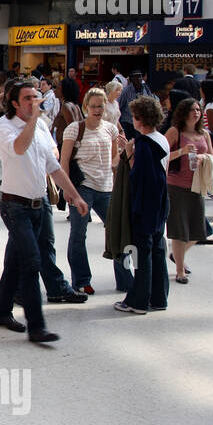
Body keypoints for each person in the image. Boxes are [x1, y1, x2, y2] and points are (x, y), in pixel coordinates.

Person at [0, 81, 89, 344]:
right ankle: (37, 327)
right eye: (27, 98)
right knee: (32, 262)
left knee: (15, 261)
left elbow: (53, 166)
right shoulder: (5, 126)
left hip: (39, 203)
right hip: (15, 206)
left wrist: (74, 195)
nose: (34, 101)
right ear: (14, 103)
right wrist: (33, 119)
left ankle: (1, 311)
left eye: (36, 97)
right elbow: (19, 149)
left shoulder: (42, 127)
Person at [60, 87, 130, 296]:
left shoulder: (111, 129)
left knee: (118, 233)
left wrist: (124, 150)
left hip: (107, 187)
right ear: (86, 107)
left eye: (101, 106)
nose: (98, 110)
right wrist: (67, 190)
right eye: (94, 106)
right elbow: (63, 160)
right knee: (79, 234)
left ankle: (125, 279)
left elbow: (114, 162)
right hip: (83, 187)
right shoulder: (74, 129)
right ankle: (82, 280)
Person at [114, 96, 171, 314]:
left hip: (146, 204)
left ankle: (138, 300)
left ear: (139, 119)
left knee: (141, 253)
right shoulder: (161, 139)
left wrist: (128, 155)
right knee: (157, 250)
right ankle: (158, 297)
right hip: (160, 203)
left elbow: (140, 176)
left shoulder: (144, 144)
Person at [164, 99, 211, 284]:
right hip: (176, 186)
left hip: (197, 186)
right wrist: (182, 152)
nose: (196, 113)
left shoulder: (204, 134)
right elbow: (162, 155)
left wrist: (202, 158)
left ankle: (177, 256)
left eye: (198, 109)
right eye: (192, 110)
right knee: (179, 230)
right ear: (183, 113)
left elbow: (212, 157)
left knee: (199, 231)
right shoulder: (175, 132)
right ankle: (179, 270)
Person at [118, 71, 153, 138]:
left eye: (139, 76)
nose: (138, 78)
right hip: (128, 122)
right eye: (136, 77)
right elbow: (119, 104)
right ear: (132, 79)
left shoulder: (146, 88)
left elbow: (150, 101)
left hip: (141, 121)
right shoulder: (126, 90)